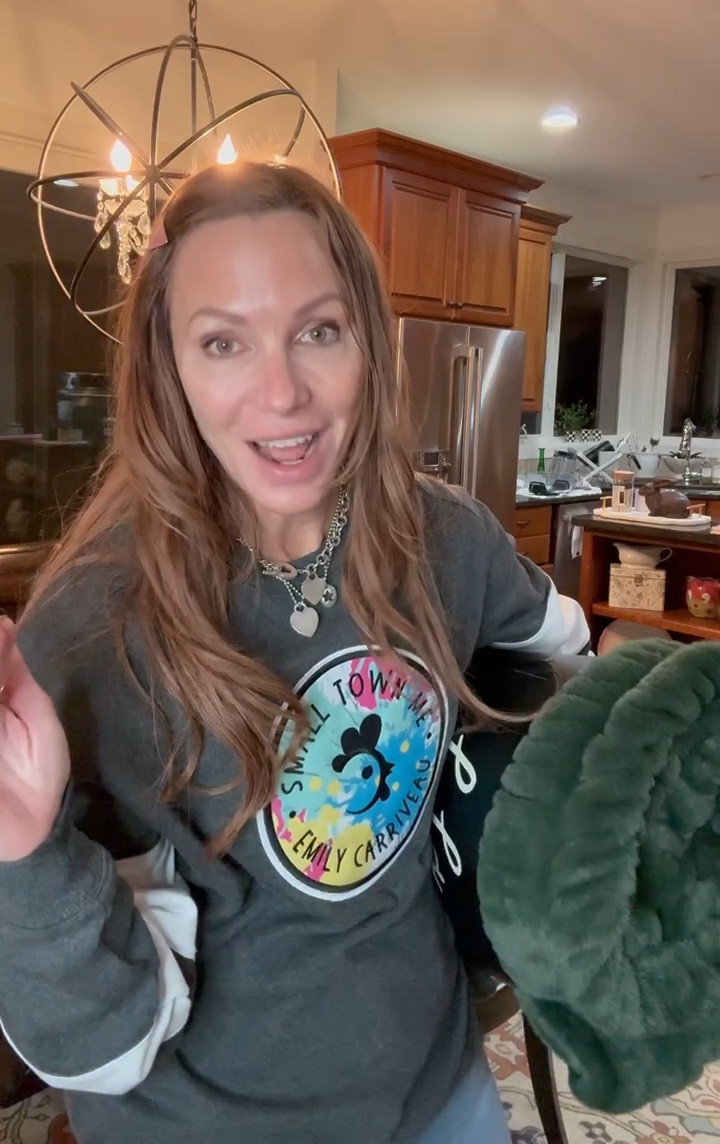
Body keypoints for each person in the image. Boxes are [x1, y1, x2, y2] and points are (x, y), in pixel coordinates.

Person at [0, 160, 588, 1144]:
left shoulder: (448, 537)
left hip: (439, 1085)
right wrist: (21, 854)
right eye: (223, 342)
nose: (281, 395)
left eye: (318, 330)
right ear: (169, 367)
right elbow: (97, 1046)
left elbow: (568, 657)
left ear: (369, 340)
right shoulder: (92, 622)